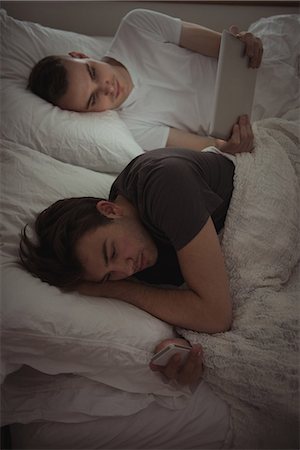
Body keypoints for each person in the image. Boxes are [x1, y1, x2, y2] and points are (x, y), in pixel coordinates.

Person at [19, 122, 252, 385]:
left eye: (112, 253)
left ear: (110, 210)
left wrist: (113, 290)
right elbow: (188, 299)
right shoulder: (130, 235)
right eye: (110, 277)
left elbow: (215, 315)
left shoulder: (163, 183)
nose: (127, 270)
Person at [27, 8, 263, 154]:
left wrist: (242, 43)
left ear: (80, 55)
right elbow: (211, 146)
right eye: (92, 99)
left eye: (92, 73)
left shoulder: (136, 25)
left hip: (257, 68)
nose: (107, 88)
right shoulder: (133, 130)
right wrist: (230, 147)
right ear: (85, 113)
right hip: (257, 120)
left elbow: (223, 47)